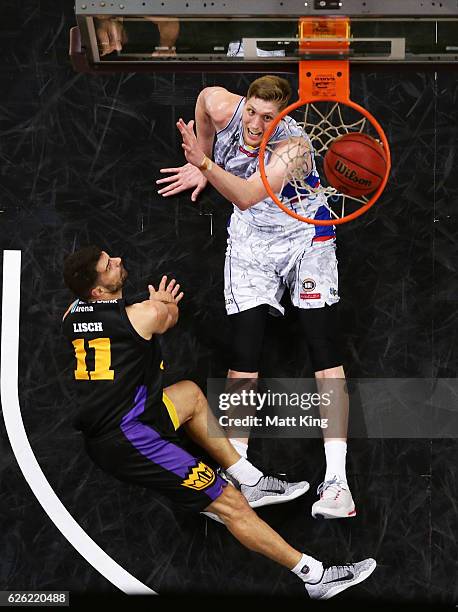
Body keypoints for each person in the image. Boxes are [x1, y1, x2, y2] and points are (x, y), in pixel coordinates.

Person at [62, 245, 375, 599]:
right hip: (132, 440)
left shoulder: (72, 312)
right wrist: (166, 303)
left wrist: (154, 307)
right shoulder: (144, 313)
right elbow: (169, 317)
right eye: (108, 266)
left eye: (110, 257)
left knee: (190, 395)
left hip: (128, 416)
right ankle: (314, 576)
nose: (117, 261)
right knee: (231, 505)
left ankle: (250, 479)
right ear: (98, 292)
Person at [157, 75, 354, 520]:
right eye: (251, 111)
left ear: (281, 118)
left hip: (306, 236)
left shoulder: (294, 147)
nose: (255, 123)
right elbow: (205, 107)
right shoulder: (219, 103)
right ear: (242, 103)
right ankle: (239, 476)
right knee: (244, 352)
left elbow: (245, 196)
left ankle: (338, 483)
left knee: (323, 348)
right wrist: (201, 156)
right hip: (252, 242)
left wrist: (205, 166)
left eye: (268, 117)